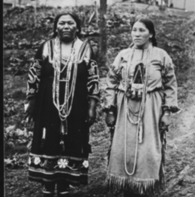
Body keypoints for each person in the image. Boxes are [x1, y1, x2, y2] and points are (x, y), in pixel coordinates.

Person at [24, 12, 99, 197]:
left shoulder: (86, 48)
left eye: (70, 23)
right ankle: (48, 185)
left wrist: (92, 106)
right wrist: (31, 103)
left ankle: (65, 184)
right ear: (56, 27)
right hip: (47, 103)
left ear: (77, 27)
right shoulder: (45, 47)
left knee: (72, 139)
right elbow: (33, 76)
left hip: (77, 103)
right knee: (47, 139)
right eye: (62, 23)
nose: (66, 26)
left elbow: (93, 79)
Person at [104, 16, 180, 197]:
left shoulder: (161, 55)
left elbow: (170, 84)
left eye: (141, 30)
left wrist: (167, 111)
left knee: (148, 149)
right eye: (134, 30)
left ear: (151, 34)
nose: (136, 34)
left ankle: (144, 187)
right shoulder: (123, 55)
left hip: (151, 109)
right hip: (125, 109)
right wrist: (110, 109)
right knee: (122, 147)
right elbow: (111, 82)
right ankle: (126, 186)